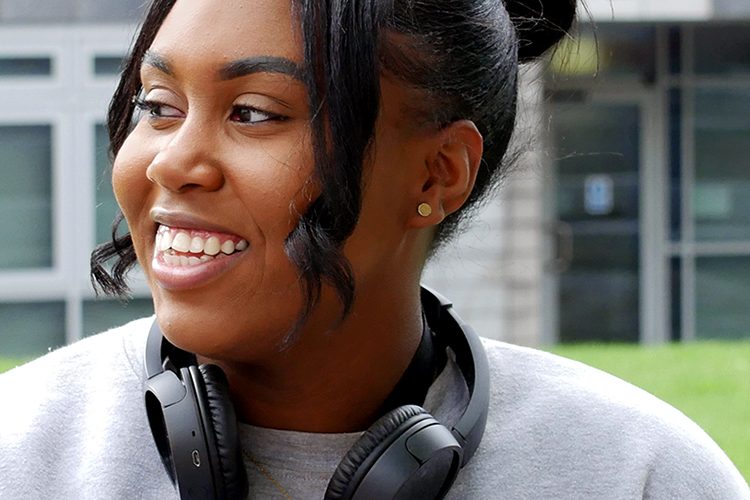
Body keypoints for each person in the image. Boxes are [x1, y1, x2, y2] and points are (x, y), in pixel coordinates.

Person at [0, 0, 748, 498]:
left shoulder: (639, 475)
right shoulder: (22, 452)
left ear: (437, 171)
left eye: (254, 113)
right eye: (157, 106)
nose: (168, 162)